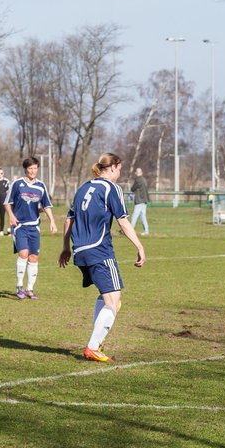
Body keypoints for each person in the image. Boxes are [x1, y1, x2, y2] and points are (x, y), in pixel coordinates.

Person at [58, 152, 146, 362]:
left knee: (106, 296)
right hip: (100, 250)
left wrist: (65, 247)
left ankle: (97, 341)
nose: (120, 173)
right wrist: (140, 246)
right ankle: (93, 346)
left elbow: (68, 220)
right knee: (114, 301)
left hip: (80, 251)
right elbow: (123, 222)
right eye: (120, 168)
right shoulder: (111, 189)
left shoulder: (83, 188)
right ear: (113, 167)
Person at [5, 155, 58, 299]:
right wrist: (11, 215)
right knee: (23, 254)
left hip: (35, 227)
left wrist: (52, 221)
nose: (33, 171)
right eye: (30, 168)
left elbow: (46, 205)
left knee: (34, 257)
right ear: (25, 169)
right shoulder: (17, 184)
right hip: (20, 225)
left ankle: (30, 289)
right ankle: (19, 286)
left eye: (35, 168)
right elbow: (7, 202)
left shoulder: (41, 186)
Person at [129, 167, 150, 234]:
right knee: (142, 216)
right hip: (144, 200)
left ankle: (130, 231)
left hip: (139, 200)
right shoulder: (144, 180)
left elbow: (132, 189)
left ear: (136, 173)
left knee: (134, 216)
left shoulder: (138, 180)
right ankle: (146, 231)